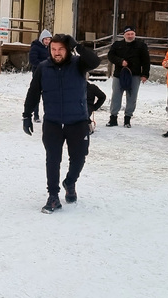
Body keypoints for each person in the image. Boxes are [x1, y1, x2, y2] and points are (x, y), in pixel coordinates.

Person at [21, 34, 101, 214]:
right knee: (53, 159)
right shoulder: (43, 68)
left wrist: (77, 45)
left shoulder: (79, 64)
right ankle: (53, 196)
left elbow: (95, 61)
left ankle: (70, 182)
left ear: (67, 49)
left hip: (78, 121)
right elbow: (33, 92)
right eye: (53, 49)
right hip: (53, 122)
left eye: (61, 49)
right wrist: (26, 115)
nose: (56, 53)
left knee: (79, 157)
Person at [106, 26, 150, 128]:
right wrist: (120, 61)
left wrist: (145, 74)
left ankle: (127, 119)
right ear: (124, 35)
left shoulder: (141, 45)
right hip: (119, 74)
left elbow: (146, 61)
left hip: (134, 75)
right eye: (128, 34)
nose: (130, 36)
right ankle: (113, 118)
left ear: (135, 34)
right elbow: (110, 56)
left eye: (132, 34)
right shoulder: (117, 45)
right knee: (116, 96)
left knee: (132, 97)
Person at [26, 30, 52, 122]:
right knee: (36, 94)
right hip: (38, 73)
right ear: (42, 39)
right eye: (46, 39)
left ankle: (48, 114)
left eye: (49, 39)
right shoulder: (35, 47)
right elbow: (33, 60)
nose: (47, 41)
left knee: (48, 94)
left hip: (48, 74)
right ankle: (35, 115)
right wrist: (42, 66)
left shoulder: (50, 48)